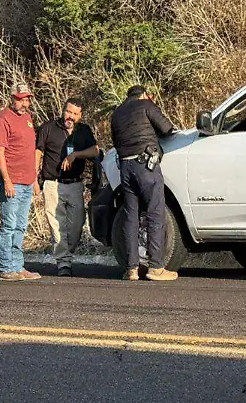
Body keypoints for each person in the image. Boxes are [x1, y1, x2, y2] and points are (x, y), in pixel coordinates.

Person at [110, 85, 178, 281]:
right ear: (144, 95)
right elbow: (166, 129)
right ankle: (156, 267)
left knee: (131, 216)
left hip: (125, 168)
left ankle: (131, 269)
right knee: (155, 212)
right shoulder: (146, 104)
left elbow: (116, 143)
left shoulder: (117, 114)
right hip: (145, 165)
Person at [37, 98, 99, 276]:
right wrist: (34, 178)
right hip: (52, 183)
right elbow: (38, 152)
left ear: (80, 116)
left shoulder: (84, 130)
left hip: (75, 184)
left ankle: (67, 251)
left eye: (75, 114)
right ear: (63, 110)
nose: (70, 116)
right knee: (56, 225)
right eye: (68, 111)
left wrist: (76, 155)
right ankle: (63, 263)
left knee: (77, 223)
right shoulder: (48, 128)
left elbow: (95, 151)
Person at [0, 83, 43, 282]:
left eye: (26, 99)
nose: (24, 103)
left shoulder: (28, 119)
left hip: (28, 180)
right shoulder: (3, 118)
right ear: (12, 98)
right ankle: (6, 267)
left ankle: (18, 266)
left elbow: (31, 150)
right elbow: (0, 151)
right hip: (12, 180)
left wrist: (35, 179)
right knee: (9, 225)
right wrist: (7, 180)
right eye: (20, 99)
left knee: (21, 225)